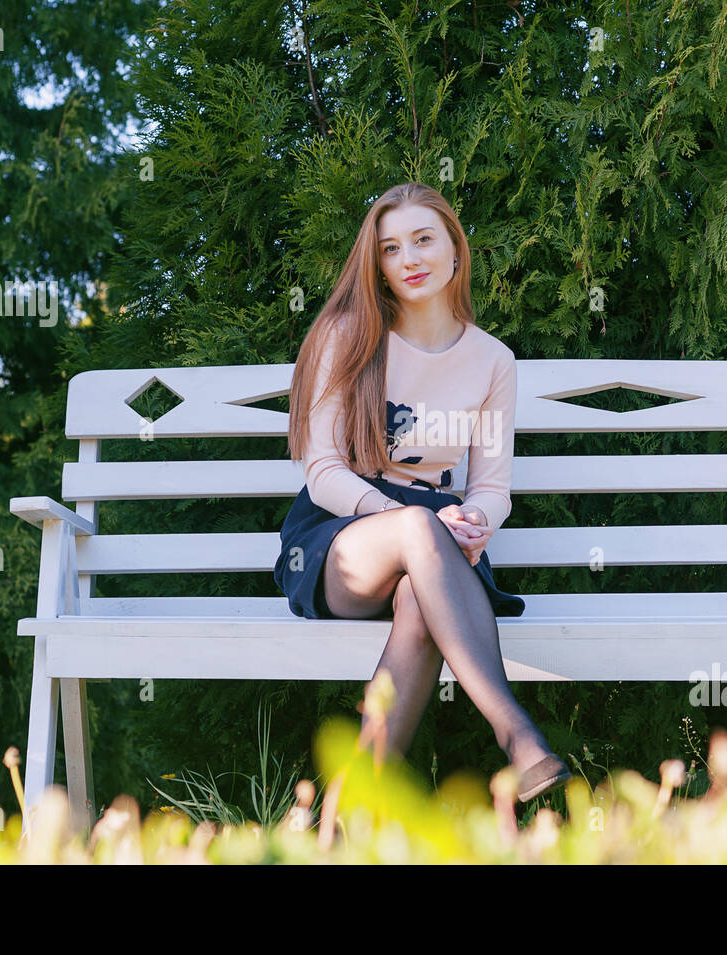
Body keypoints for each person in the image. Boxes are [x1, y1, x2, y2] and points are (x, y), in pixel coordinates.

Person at [273, 182, 573, 803]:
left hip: (439, 545)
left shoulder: (493, 361)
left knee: (418, 595)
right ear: (376, 265)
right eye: (390, 248)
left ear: (455, 251)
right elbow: (323, 471)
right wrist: (405, 518)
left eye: (423, 239)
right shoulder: (348, 337)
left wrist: (474, 524)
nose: (408, 258)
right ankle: (517, 736)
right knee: (414, 531)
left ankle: (352, 809)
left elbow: (493, 488)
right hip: (343, 536)